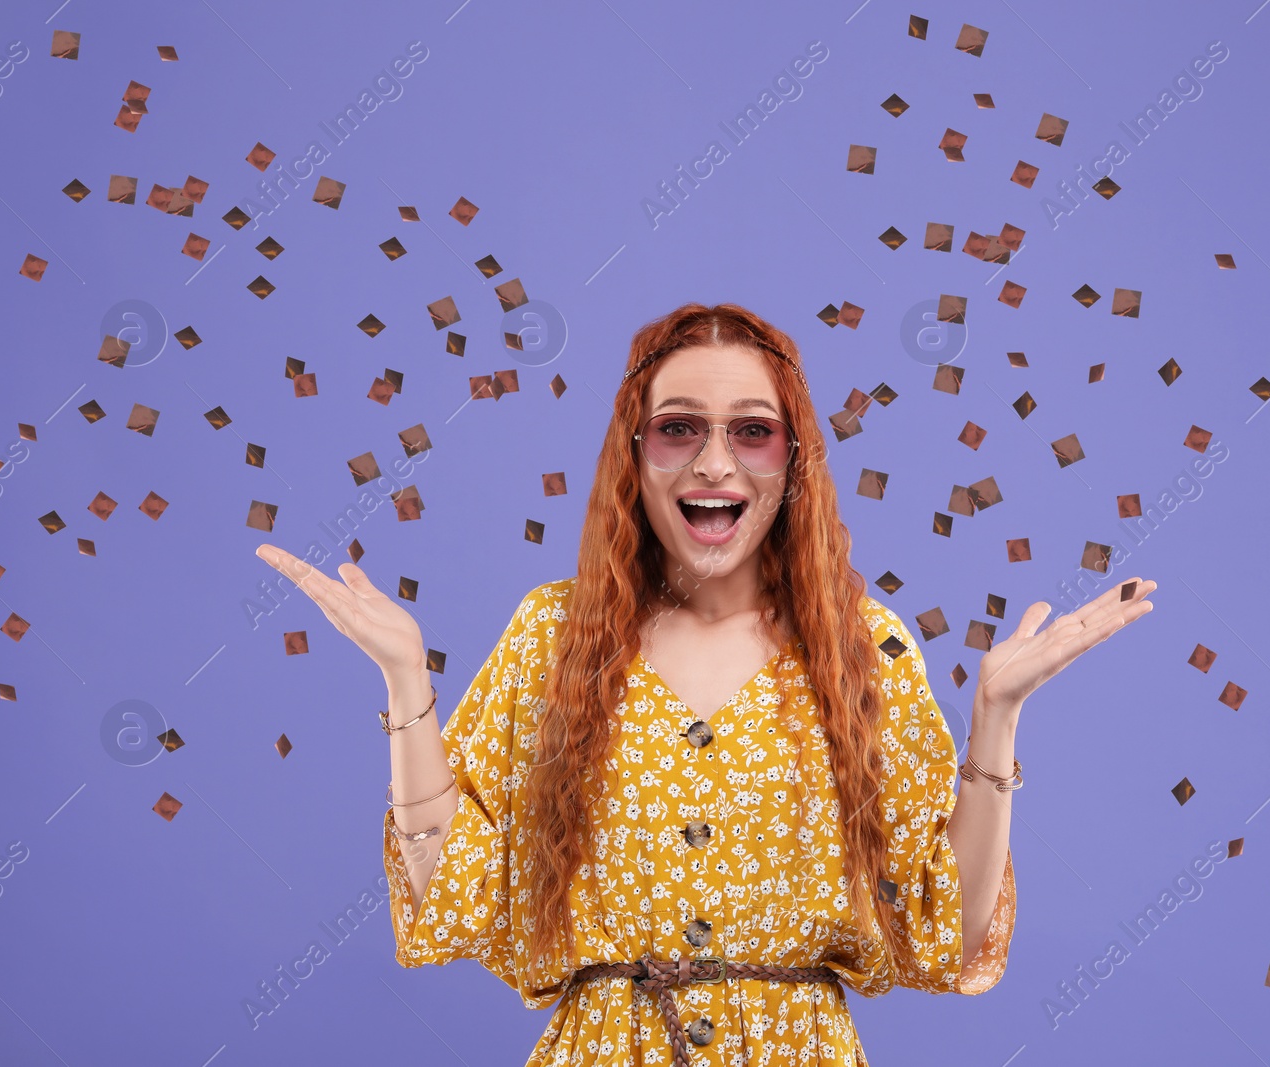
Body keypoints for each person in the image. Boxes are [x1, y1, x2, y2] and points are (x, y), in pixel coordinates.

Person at [255, 302, 1156, 1065]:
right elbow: (456, 891)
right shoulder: (554, 636)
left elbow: (942, 931)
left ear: (793, 457)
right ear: (635, 452)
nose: (714, 464)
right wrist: (406, 679)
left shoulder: (863, 647)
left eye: (751, 432)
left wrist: (996, 719)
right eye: (679, 426)